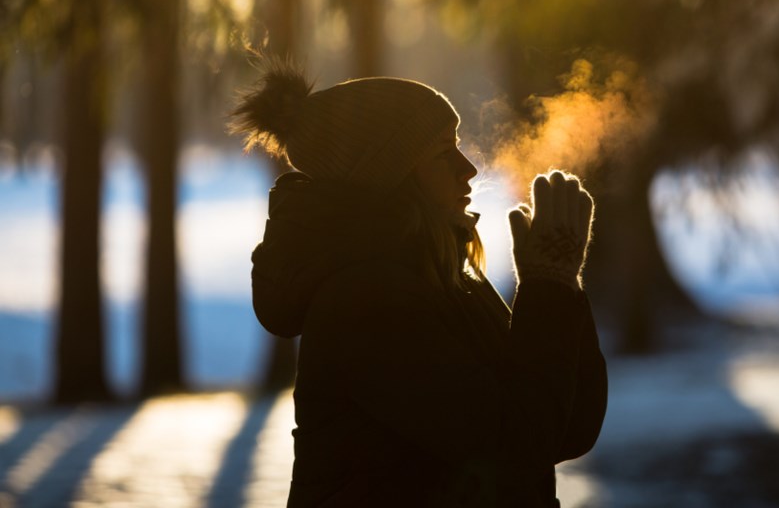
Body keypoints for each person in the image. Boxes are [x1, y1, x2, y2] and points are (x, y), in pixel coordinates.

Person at [231, 60, 607, 507]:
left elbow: (564, 427)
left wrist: (558, 287)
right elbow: (514, 444)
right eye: (443, 152)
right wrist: (549, 287)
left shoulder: (445, 278)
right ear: (392, 176)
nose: (467, 169)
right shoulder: (367, 302)